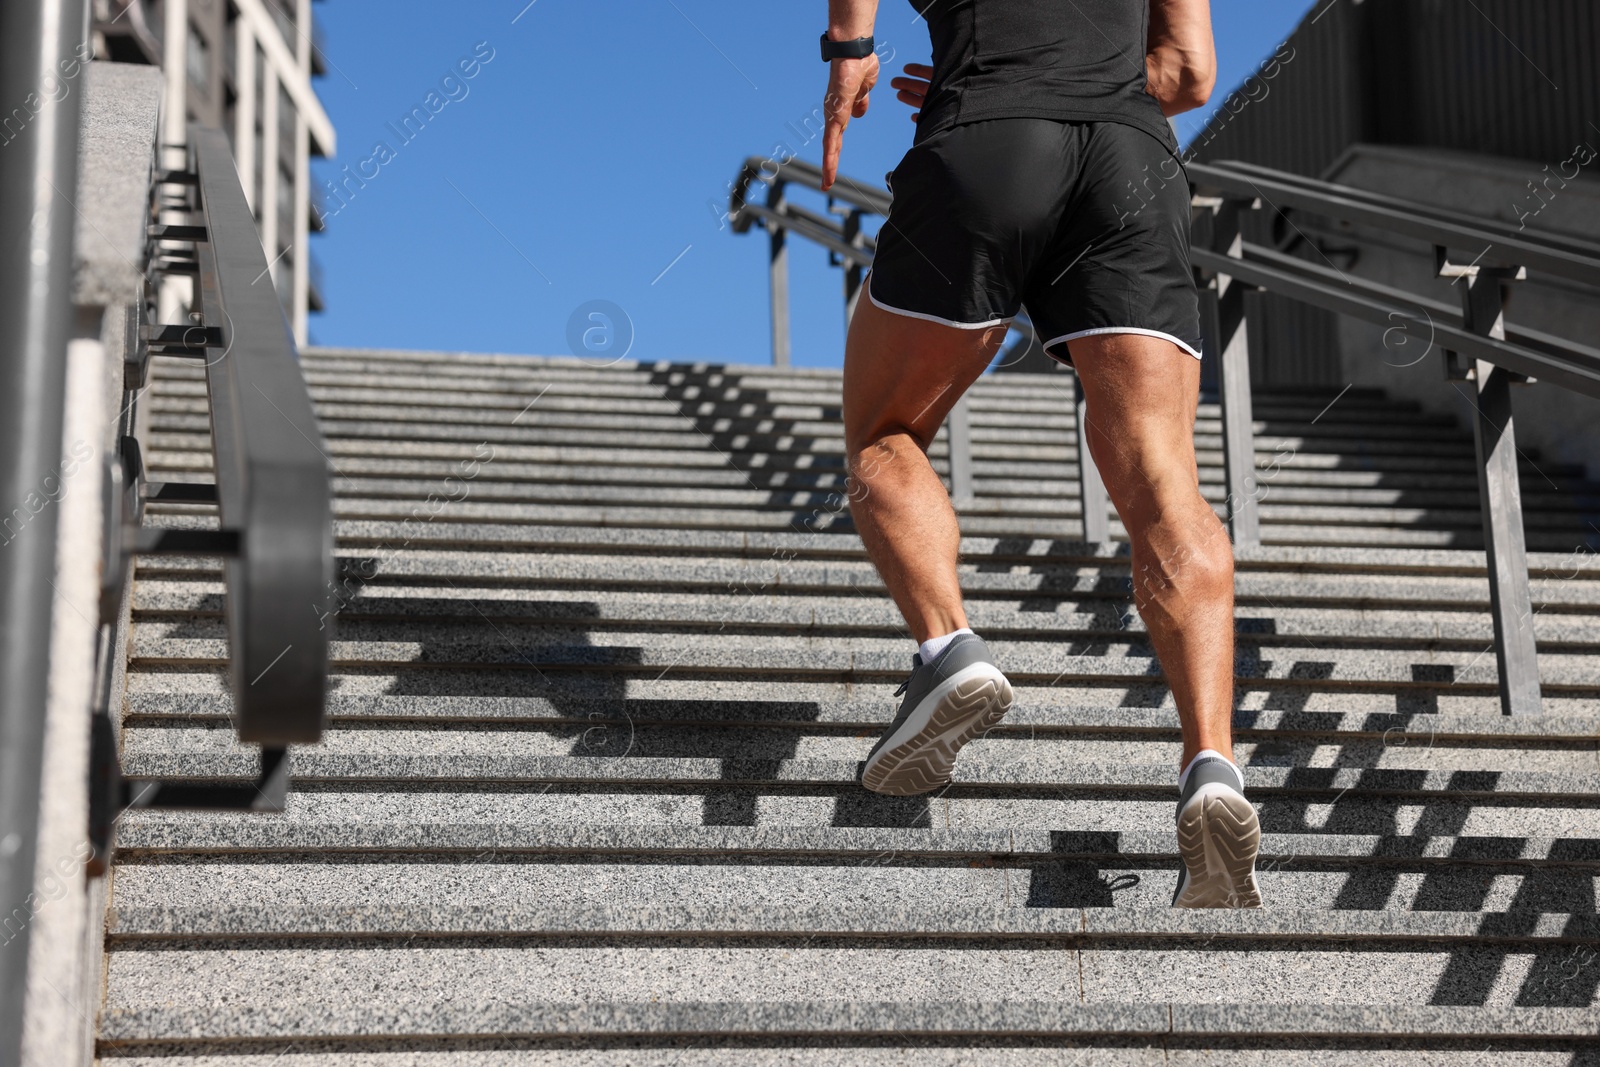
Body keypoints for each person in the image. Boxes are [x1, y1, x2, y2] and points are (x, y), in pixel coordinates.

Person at [820, 0, 1260, 908]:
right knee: (1163, 479)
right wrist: (1082, 81)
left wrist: (850, 52)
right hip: (1131, 162)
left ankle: (949, 648)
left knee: (883, 436)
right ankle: (1211, 762)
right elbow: (1188, 73)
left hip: (984, 143)